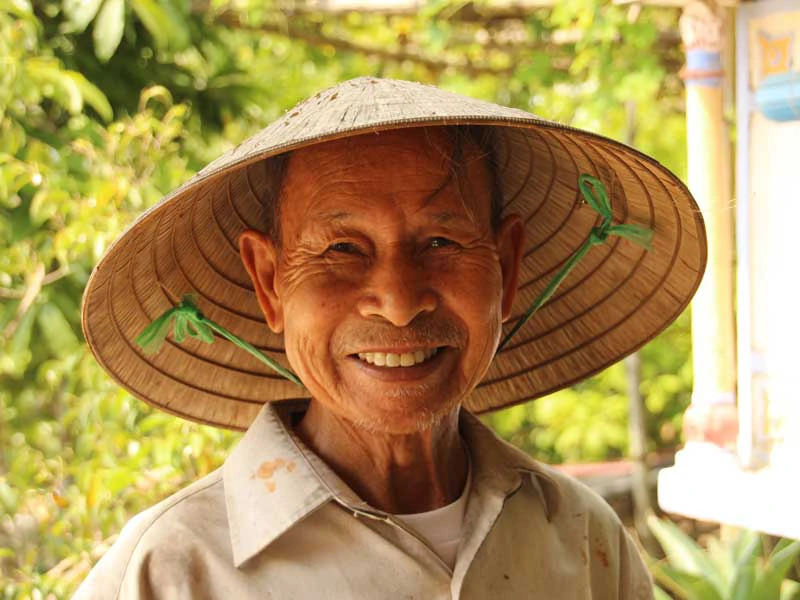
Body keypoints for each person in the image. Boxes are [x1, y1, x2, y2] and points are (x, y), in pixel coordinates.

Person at [75, 77, 706, 599]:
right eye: (343, 249)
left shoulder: (580, 539)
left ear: (507, 269)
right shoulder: (172, 570)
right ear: (270, 283)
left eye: (441, 243)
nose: (400, 304)